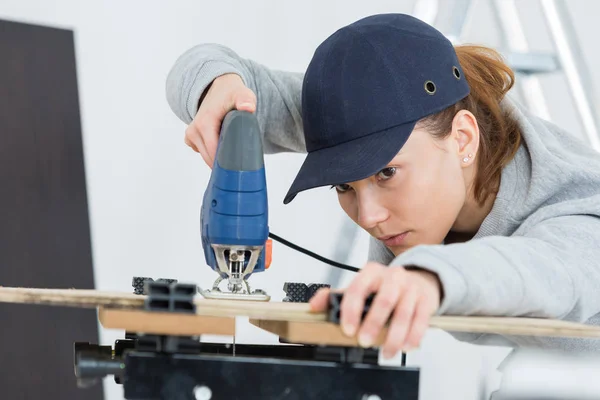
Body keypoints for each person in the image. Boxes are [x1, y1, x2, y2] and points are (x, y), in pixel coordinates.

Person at [165, 13, 600, 360]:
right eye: (343, 186)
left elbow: (538, 270)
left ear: (463, 139)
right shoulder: (396, 122)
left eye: (386, 173)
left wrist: (430, 277)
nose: (369, 217)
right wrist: (218, 87)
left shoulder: (580, 209)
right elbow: (207, 65)